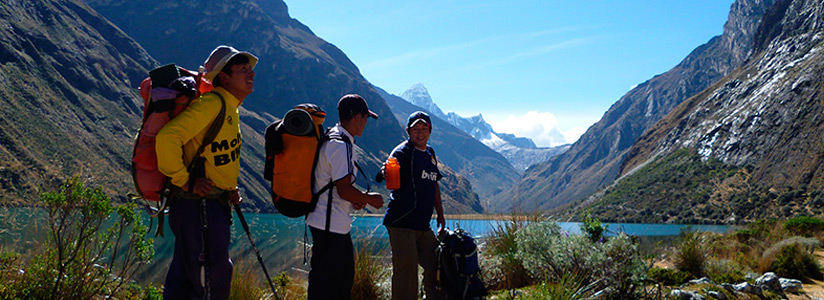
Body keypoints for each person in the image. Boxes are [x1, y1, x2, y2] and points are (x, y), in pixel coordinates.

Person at [156, 45, 257, 300]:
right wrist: (185, 181)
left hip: (208, 206)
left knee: (185, 281)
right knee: (212, 282)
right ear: (223, 76)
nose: (251, 74)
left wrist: (227, 189)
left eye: (250, 69)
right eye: (242, 69)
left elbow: (215, 155)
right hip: (199, 208)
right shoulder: (213, 104)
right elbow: (168, 137)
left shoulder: (229, 107)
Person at [306, 94, 384, 300]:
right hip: (331, 225)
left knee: (324, 280)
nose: (366, 123)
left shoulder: (334, 137)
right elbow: (343, 190)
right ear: (357, 117)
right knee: (336, 284)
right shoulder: (341, 146)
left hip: (324, 221)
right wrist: (369, 199)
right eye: (366, 118)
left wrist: (355, 198)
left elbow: (337, 186)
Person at [382, 111, 446, 300]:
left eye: (424, 128)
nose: (420, 133)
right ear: (408, 131)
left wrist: (440, 214)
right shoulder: (402, 152)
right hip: (402, 223)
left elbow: (434, 183)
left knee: (437, 263)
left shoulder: (430, 153)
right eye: (415, 129)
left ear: (430, 130)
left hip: (422, 225)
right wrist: (385, 172)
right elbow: (388, 168)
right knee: (406, 274)